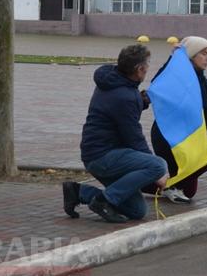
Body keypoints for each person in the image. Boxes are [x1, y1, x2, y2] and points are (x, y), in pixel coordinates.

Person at [63, 44, 168, 223]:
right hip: (104, 157)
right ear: (139, 69)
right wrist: (158, 172)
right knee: (157, 165)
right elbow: (134, 138)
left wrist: (141, 101)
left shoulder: (112, 80)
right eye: (147, 65)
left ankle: (78, 192)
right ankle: (104, 201)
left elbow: (118, 111)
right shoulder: (125, 96)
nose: (148, 69)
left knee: (137, 210)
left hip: (97, 154)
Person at [147, 36, 207, 204]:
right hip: (168, 137)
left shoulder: (205, 84)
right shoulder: (174, 79)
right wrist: (172, 59)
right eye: (204, 54)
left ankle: (162, 185)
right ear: (191, 55)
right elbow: (157, 83)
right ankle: (165, 185)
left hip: (189, 138)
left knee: (190, 191)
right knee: (183, 181)